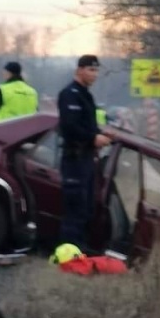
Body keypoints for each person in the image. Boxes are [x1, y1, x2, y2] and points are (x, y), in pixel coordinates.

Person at [57, 54, 112, 252]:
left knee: (87, 207)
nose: (94, 74)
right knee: (75, 209)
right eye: (91, 70)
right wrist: (92, 139)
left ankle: (80, 251)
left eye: (96, 70)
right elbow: (70, 127)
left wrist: (100, 134)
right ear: (79, 70)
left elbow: (86, 125)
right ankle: (68, 254)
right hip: (74, 159)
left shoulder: (85, 95)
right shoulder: (70, 94)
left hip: (86, 159)